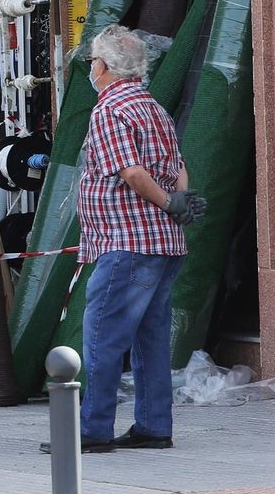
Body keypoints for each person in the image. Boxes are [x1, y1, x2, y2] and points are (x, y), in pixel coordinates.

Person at [63, 25, 201, 454]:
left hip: (127, 242)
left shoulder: (109, 110)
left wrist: (166, 202)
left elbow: (131, 173)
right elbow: (178, 167)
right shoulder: (153, 107)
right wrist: (177, 201)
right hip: (162, 244)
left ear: (104, 66)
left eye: (92, 62)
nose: (91, 68)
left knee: (102, 335)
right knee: (150, 340)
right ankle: (154, 425)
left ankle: (93, 430)